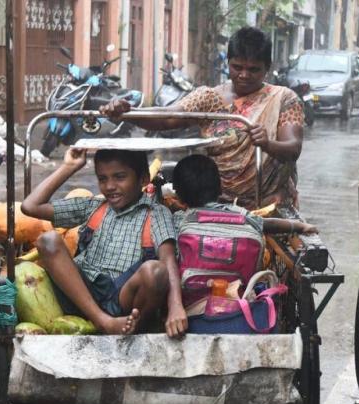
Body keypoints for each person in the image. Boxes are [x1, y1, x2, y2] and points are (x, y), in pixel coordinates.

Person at [101, 26, 304, 209]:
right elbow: (168, 118)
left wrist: (268, 144)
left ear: (267, 67)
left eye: (253, 69)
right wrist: (128, 112)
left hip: (269, 204)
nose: (244, 75)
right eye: (237, 67)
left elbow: (293, 147)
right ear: (228, 63)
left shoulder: (284, 98)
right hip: (218, 204)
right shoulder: (208, 97)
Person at [21, 147, 188, 337]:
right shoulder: (94, 206)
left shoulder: (156, 213)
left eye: (119, 177)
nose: (109, 186)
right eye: (102, 179)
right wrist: (69, 166)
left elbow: (168, 260)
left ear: (142, 179)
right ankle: (103, 322)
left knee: (155, 271)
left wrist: (176, 306)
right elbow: (30, 206)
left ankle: (133, 327)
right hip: (81, 292)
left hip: (123, 299)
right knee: (47, 240)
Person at [171, 154, 317, 235]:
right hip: (240, 282)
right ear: (220, 189)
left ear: (180, 196)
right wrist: (300, 226)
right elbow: (269, 224)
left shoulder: (180, 219)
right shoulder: (239, 215)